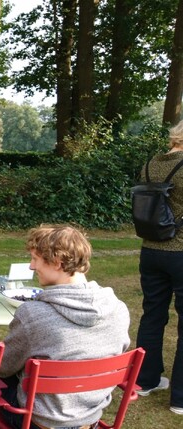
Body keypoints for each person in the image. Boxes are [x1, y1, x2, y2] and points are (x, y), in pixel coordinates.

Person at [0, 225, 130, 429]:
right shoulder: (119, 309)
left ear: (57, 262)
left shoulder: (33, 315)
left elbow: (3, 368)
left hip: (38, 420)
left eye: (35, 259)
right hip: (89, 418)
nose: (31, 266)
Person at [135, 119, 183, 415]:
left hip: (151, 250)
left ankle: (146, 379)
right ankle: (180, 397)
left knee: (152, 314)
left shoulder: (152, 163)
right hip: (180, 252)